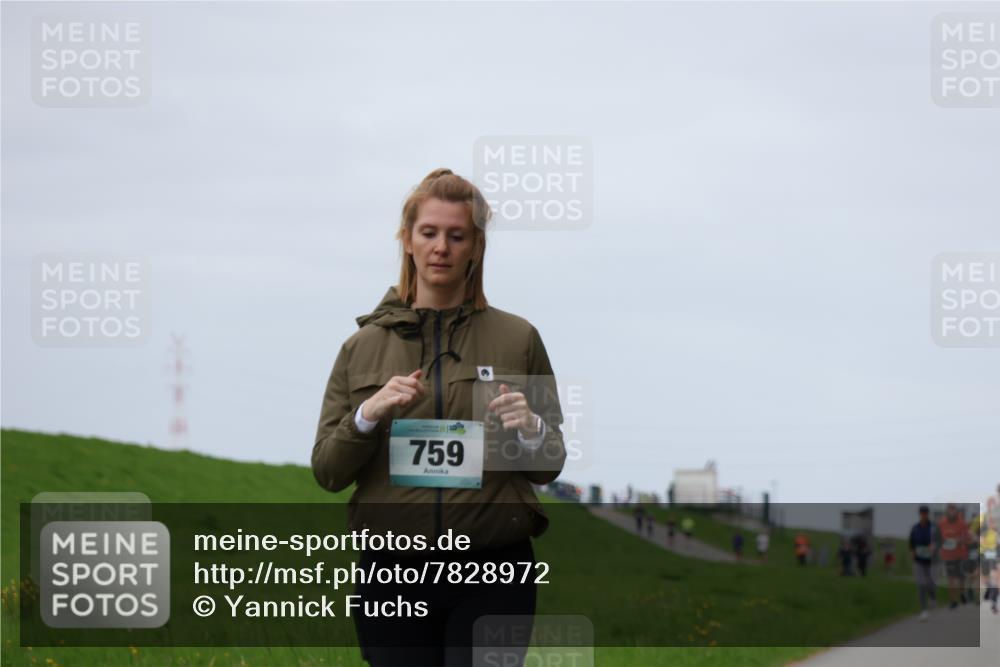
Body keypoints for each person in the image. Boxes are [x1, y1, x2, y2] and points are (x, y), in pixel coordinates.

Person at [311, 168, 567, 667]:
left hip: (495, 570)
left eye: (457, 235)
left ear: (476, 246)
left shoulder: (519, 339)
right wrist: (367, 414)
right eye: (429, 233)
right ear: (407, 241)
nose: (441, 247)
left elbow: (549, 464)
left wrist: (532, 429)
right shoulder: (361, 348)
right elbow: (328, 471)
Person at [938, 503, 969, 609]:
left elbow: (966, 538)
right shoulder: (942, 523)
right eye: (949, 509)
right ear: (947, 511)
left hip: (960, 554)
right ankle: (953, 601)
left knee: (961, 578)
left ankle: (962, 593)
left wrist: (957, 540)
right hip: (948, 555)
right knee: (951, 578)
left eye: (953, 509)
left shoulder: (962, 524)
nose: (951, 512)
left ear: (956, 511)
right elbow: (939, 538)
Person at [910, 505, 938, 622]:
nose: (923, 515)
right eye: (922, 513)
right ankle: (924, 611)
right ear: (919, 514)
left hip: (931, 560)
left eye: (925, 513)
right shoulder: (915, 528)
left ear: (928, 514)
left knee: (930, 582)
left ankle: (932, 596)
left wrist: (934, 546)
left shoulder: (933, 528)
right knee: (921, 584)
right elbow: (911, 542)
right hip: (918, 560)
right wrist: (912, 552)